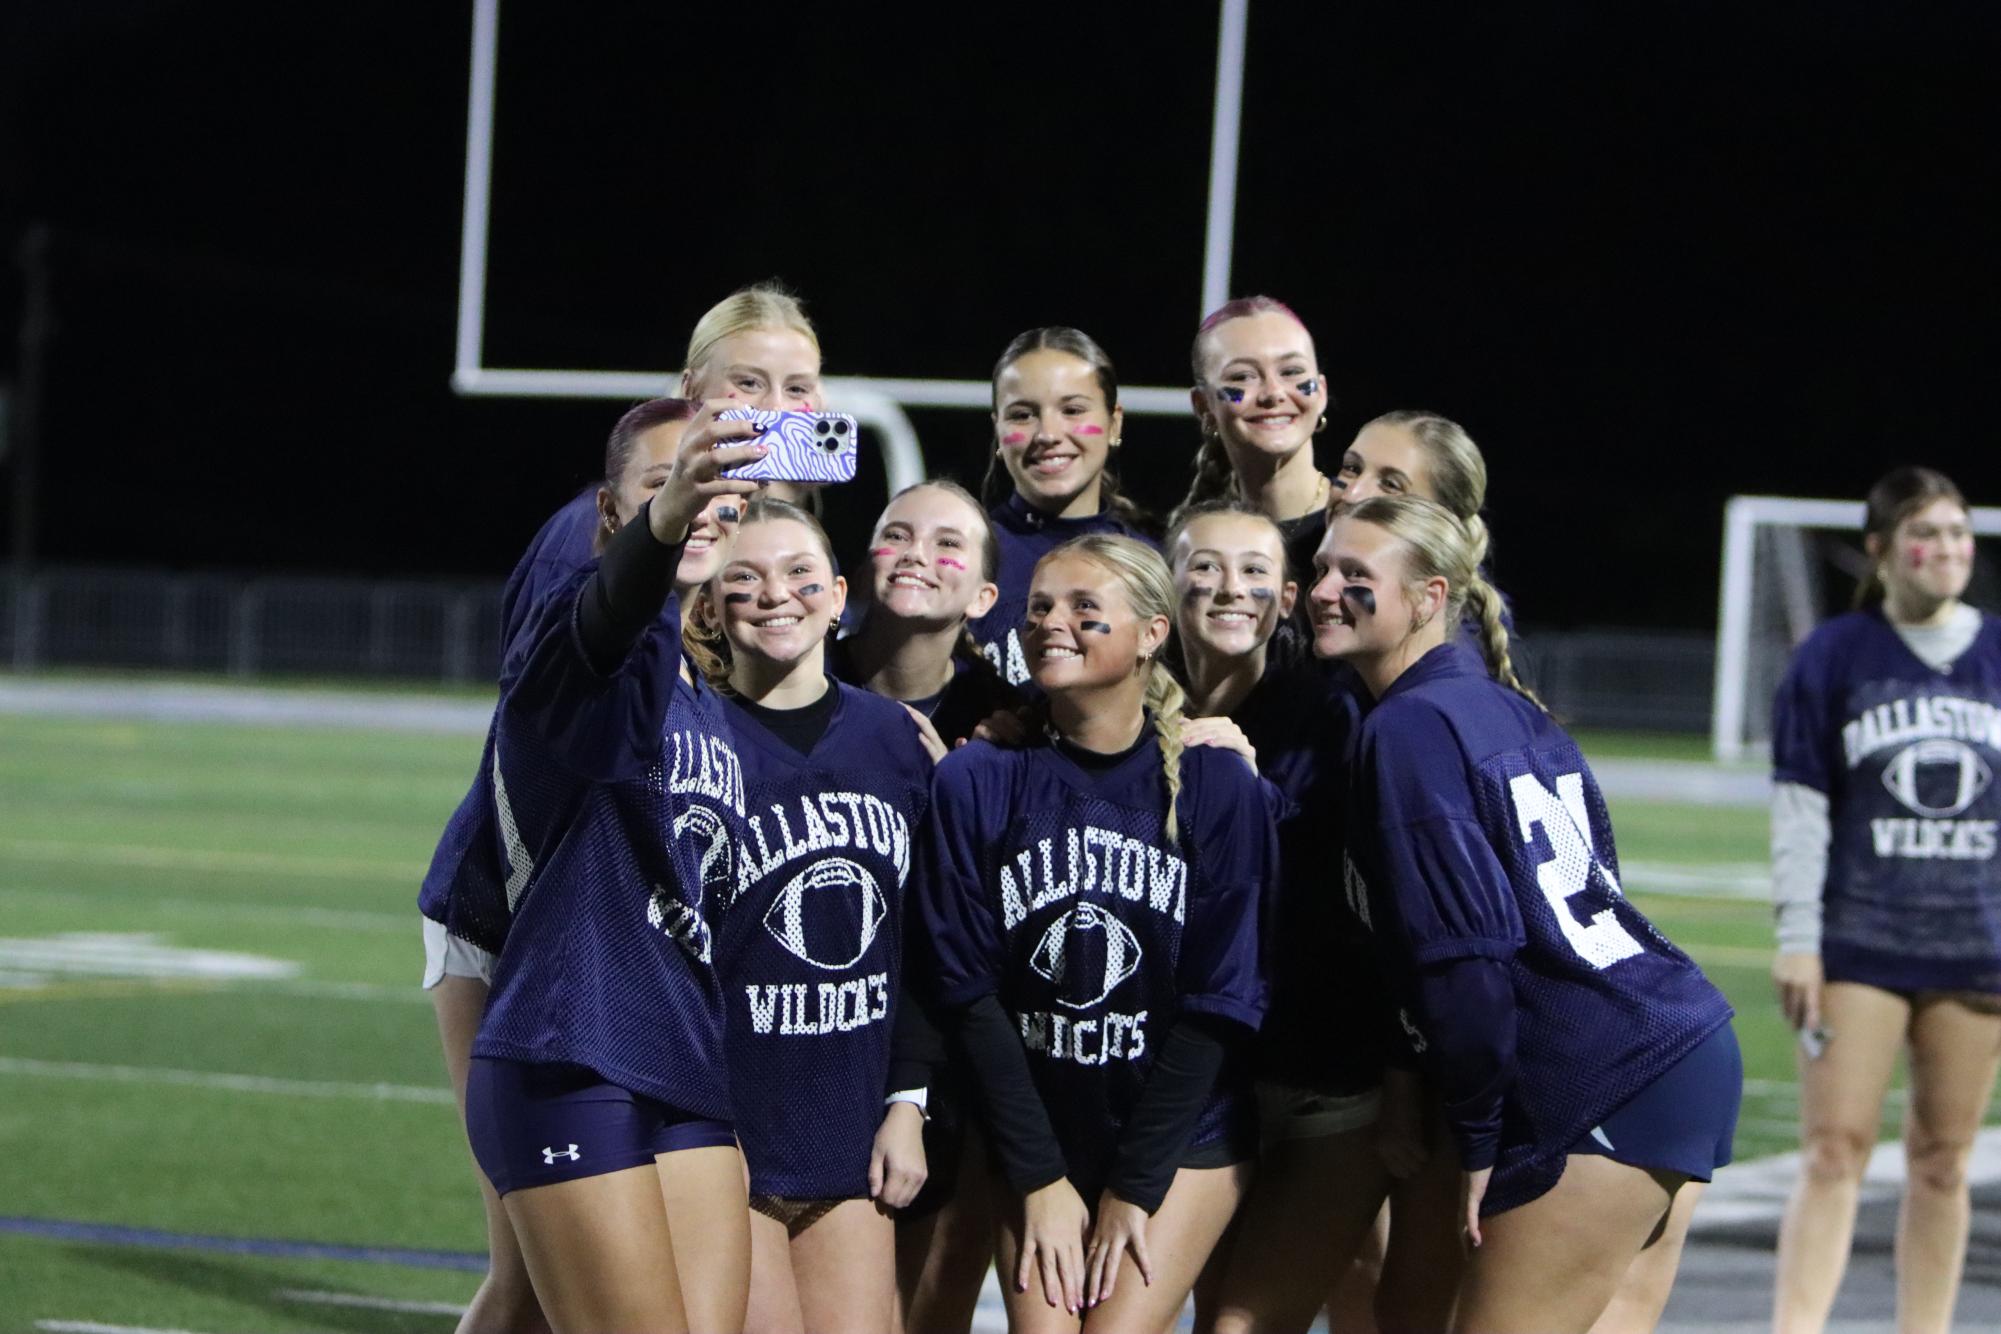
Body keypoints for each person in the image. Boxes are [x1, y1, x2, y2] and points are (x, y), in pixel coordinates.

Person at [1311, 494, 1740, 1334]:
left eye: (1354, 574)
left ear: (1428, 598)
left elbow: (1463, 956)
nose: (1322, 588)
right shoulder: (1499, 702)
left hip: (1602, 1074)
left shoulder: (1408, 726)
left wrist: (1473, 1136)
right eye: (1321, 568)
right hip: (1669, 1044)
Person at [416, 396, 738, 1334]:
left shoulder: (708, 688)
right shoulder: (573, 644)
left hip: (682, 1062)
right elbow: (606, 618)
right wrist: (667, 519)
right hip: (574, 1051)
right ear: (612, 512)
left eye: (715, 486)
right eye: (663, 482)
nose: (697, 498)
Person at [918, 533, 1277, 1332]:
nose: (1053, 622)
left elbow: (1221, 1001)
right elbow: (966, 992)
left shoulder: (1217, 783)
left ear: (1152, 633)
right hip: (1039, 1124)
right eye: (1040, 606)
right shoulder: (979, 778)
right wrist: (1040, 1177)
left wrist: (1134, 1187)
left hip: (1180, 1135)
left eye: (1086, 608)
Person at [685, 497, 937, 1334]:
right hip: (725, 1134)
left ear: (836, 595)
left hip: (851, 1128)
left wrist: (908, 1102)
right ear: (712, 609)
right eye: (744, 579)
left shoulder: (895, 740)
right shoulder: (691, 744)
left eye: (798, 574)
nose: (774, 595)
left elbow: (922, 945)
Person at [1769, 466, 2001, 1334]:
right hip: (1857, 942)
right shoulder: (1832, 656)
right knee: (1834, 1152)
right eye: (1923, 533)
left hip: (1974, 945)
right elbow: (1800, 802)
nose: (1944, 550)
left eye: (1955, 533)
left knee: (1942, 1162)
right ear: (1879, 550)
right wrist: (1798, 935)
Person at [1158, 503, 1388, 1334]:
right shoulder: (1122, 712)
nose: (1229, 587)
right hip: (1197, 1086)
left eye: (1254, 570)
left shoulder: (1333, 714)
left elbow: (1346, 895)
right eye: (1206, 566)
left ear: (1287, 597)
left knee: (1242, 1324)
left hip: (1318, 1077)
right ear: (1168, 582)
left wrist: (1251, 796)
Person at [828, 478, 1023, 1334]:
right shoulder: (795, 665)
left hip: (930, 1047)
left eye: (947, 543)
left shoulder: (1006, 723)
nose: (915, 553)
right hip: (798, 1024)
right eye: (896, 534)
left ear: (983, 595)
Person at [975, 328, 1155, 688]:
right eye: (1023, 415)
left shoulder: (1154, 560)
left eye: (1072, 410)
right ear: (997, 429)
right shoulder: (966, 554)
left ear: (1113, 423)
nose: (1048, 434)